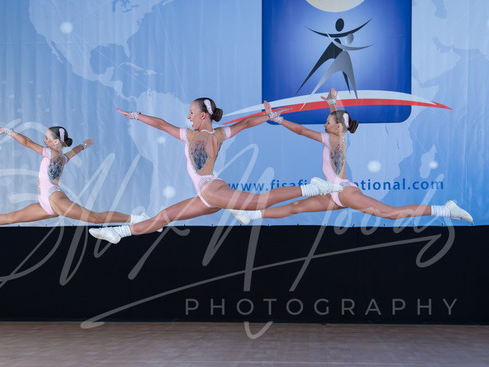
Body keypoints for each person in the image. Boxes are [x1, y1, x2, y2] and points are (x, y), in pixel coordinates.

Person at [88, 97, 344, 244]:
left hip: (210, 189)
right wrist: (269, 116)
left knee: (258, 202)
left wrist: (135, 115)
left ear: (203, 116)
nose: (188, 117)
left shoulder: (190, 135)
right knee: (164, 216)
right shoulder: (220, 134)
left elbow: (160, 124)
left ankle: (313, 188)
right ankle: (118, 232)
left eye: (191, 113)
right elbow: (246, 123)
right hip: (207, 193)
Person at [228, 89, 473, 225]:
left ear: (337, 127)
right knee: (296, 207)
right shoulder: (337, 135)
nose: (324, 125)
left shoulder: (334, 138)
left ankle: (445, 209)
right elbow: (339, 119)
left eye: (327, 122)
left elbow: (302, 130)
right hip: (334, 192)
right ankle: (252, 215)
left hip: (344, 191)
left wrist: (277, 118)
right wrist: (333, 104)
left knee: (391, 213)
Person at [0, 125, 148, 226]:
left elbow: (27, 142)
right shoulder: (62, 157)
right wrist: (83, 145)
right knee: (12, 218)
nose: (44, 140)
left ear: (56, 142)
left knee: (95, 218)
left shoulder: (50, 154)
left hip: (53, 197)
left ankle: (136, 219)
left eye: (47, 138)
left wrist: (7, 131)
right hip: (45, 201)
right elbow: (73, 152)